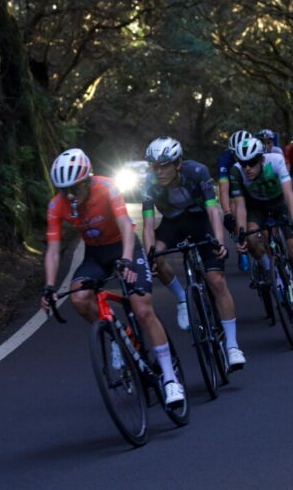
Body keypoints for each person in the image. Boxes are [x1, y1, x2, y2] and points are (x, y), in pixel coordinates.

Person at [40, 148, 184, 405]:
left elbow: (126, 228)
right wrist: (49, 287)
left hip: (124, 246)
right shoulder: (56, 205)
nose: (70, 195)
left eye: (75, 188)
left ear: (88, 181)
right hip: (95, 255)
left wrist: (127, 260)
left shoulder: (107, 188)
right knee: (80, 299)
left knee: (142, 308)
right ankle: (118, 338)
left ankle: (171, 379)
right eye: (64, 190)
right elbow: (52, 250)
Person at [141, 137, 246, 369]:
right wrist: (149, 255)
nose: (158, 172)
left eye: (164, 165)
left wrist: (219, 242)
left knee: (216, 280)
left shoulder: (197, 171)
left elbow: (212, 210)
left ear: (178, 164)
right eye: (154, 166)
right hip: (172, 224)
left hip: (201, 222)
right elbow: (148, 225)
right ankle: (181, 298)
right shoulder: (148, 182)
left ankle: (232, 345)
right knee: (155, 256)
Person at [231, 136, 293, 327]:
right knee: (251, 240)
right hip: (256, 207)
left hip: (279, 203)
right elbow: (240, 206)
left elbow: (289, 195)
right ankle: (270, 271)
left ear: (261, 159)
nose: (247, 168)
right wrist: (241, 234)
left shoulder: (275, 161)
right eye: (243, 163)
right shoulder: (236, 172)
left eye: (252, 163)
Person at [218, 130, 253, 237]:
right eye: (236, 153)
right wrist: (227, 213)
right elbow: (223, 189)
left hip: (251, 183)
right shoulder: (224, 159)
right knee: (234, 208)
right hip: (234, 185)